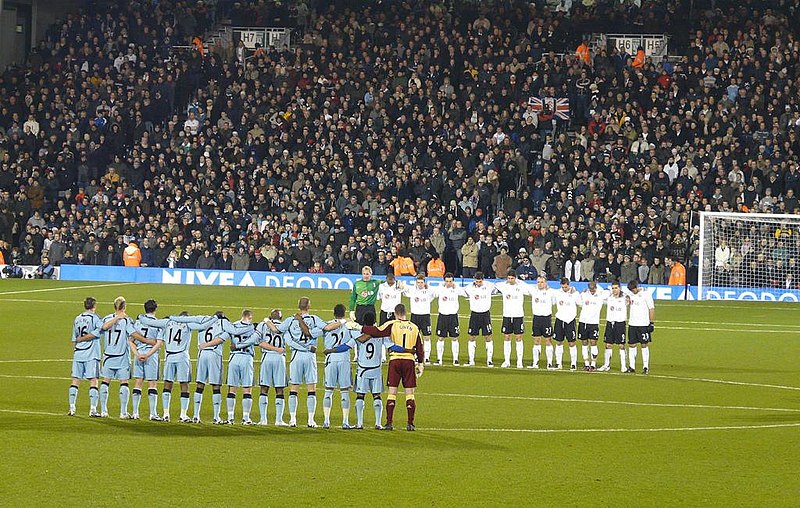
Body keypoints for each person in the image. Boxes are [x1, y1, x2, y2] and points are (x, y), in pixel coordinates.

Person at [264, 297, 340, 427]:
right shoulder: (315, 319)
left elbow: (276, 330)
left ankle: (293, 419)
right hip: (310, 356)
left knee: (294, 388)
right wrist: (341, 322)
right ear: (309, 306)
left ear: (298, 305)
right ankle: (311, 420)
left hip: (296, 356)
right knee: (311, 389)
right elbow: (327, 328)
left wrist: (266, 320)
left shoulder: (290, 320)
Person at [351, 303, 424, 431]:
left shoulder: (392, 324)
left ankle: (389, 423)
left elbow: (377, 331)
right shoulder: (414, 327)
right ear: (405, 313)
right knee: (410, 394)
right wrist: (420, 363)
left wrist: (360, 327)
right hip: (409, 361)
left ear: (395, 313)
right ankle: (410, 423)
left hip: (395, 360)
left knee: (392, 392)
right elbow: (419, 347)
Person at [325, 311, 397, 429]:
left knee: (360, 396)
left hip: (363, 370)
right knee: (377, 396)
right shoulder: (381, 334)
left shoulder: (358, 333)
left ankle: (359, 423)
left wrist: (331, 350)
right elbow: (392, 347)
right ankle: (378, 423)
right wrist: (406, 350)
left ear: (363, 322)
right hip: (376, 369)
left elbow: (346, 346)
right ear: (374, 322)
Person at [138, 312, 216, 422]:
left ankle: (166, 414)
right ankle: (183, 414)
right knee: (184, 385)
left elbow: (151, 322)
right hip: (182, 357)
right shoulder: (188, 324)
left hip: (169, 357)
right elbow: (203, 326)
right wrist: (215, 319)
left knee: (167, 384)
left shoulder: (168, 322)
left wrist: (141, 317)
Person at [99, 297, 155, 418]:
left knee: (105, 381)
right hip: (121, 356)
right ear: (124, 307)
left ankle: (103, 410)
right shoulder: (127, 320)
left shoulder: (107, 318)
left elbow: (103, 327)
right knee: (123, 383)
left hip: (108, 355)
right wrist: (147, 341)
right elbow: (134, 334)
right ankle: (123, 412)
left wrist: (115, 318)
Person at [68, 297, 122, 417]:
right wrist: (117, 318)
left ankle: (72, 408)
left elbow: (74, 338)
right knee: (93, 381)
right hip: (91, 354)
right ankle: (93, 409)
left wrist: (75, 351)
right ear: (94, 306)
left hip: (78, 353)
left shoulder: (77, 318)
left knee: (75, 381)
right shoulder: (95, 318)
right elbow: (102, 328)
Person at [202, 310, 257, 424]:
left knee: (232, 389)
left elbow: (220, 339)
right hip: (247, 358)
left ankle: (230, 418)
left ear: (242, 316)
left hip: (234, 359)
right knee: (247, 389)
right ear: (250, 317)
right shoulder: (252, 328)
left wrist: (206, 345)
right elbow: (258, 342)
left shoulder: (232, 326)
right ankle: (246, 418)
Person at [320, 304, 359, 429]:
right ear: (344, 312)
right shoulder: (349, 325)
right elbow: (354, 341)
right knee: (344, 391)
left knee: (328, 390)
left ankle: (326, 421)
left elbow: (320, 332)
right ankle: (345, 421)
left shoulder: (328, 324)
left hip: (330, 360)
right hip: (344, 360)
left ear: (333, 313)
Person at [253, 309, 289, 426]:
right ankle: (279, 420)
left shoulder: (263, 325)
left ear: (270, 316)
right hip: (280, 358)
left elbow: (259, 342)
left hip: (267, 357)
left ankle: (263, 419)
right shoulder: (285, 326)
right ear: (281, 318)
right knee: (280, 389)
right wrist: (278, 349)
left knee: (264, 388)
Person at [132, 300, 165, 420]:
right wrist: (148, 354)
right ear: (156, 309)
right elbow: (159, 343)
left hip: (138, 355)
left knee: (138, 382)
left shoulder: (137, 322)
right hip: (151, 356)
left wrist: (137, 354)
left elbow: (130, 340)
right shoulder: (159, 323)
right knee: (152, 384)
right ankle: (153, 414)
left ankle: (135, 413)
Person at [495, 269, 531, 368]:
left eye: (512, 278)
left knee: (518, 337)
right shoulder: (503, 285)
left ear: (515, 278)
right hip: (506, 315)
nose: (510, 280)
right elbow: (492, 286)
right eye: (509, 278)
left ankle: (519, 361)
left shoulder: (521, 285)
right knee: (507, 337)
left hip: (518, 315)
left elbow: (532, 290)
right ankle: (507, 361)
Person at [463, 271, 496, 366]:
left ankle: (489, 360)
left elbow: (497, 289)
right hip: (474, 315)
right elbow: (462, 292)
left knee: (488, 336)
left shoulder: (490, 286)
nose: (478, 283)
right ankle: (471, 360)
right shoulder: (469, 288)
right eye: (477, 281)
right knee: (472, 337)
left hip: (485, 315)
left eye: (480, 281)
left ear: (483, 280)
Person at [402, 273, 436, 364]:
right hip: (415, 316)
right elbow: (402, 288)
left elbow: (436, 295)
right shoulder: (412, 290)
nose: (420, 284)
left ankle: (427, 357)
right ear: (416, 282)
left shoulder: (429, 291)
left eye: (421, 282)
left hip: (425, 316)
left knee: (427, 337)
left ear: (424, 282)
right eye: (418, 282)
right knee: (414, 337)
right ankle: (416, 356)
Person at [434, 272, 467, 365]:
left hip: (453, 316)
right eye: (447, 281)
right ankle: (439, 359)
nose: (449, 283)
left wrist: (456, 287)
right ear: (444, 281)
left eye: (450, 281)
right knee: (440, 338)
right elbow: (432, 294)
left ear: (453, 281)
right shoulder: (440, 288)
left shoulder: (457, 288)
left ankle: (455, 359)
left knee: (455, 338)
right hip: (442, 316)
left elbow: (466, 294)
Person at [597, 281, 629, 372]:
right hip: (610, 323)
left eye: (616, 288)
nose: (614, 290)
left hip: (620, 323)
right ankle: (606, 365)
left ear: (620, 288)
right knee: (608, 344)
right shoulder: (609, 297)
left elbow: (633, 294)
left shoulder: (625, 297)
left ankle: (623, 366)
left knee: (621, 345)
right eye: (613, 288)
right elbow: (598, 290)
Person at [625, 280, 655, 374]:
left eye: (634, 289)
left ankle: (645, 366)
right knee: (631, 344)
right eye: (631, 290)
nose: (633, 291)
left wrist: (651, 323)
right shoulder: (629, 294)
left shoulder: (646, 294)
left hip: (643, 324)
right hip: (632, 324)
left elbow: (651, 308)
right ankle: (631, 366)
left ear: (637, 287)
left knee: (644, 344)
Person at [528, 275, 558, 369]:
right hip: (536, 318)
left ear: (546, 283)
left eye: (542, 282)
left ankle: (549, 363)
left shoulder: (551, 292)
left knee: (548, 340)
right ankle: (535, 363)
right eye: (538, 282)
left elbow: (562, 293)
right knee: (536, 340)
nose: (540, 284)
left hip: (546, 319)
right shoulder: (533, 290)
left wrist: (572, 289)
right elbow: (521, 286)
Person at [552, 278, 581, 370]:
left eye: (566, 287)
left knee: (571, 342)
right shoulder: (557, 293)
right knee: (558, 342)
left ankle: (573, 363)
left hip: (570, 320)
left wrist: (577, 293)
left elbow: (581, 304)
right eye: (563, 287)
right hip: (559, 320)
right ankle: (558, 363)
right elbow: (551, 302)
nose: (564, 288)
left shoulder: (575, 294)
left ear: (569, 285)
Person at [577, 281, 607, 370]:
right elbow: (579, 303)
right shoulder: (584, 294)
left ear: (596, 287)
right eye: (590, 289)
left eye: (593, 289)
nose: (592, 291)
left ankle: (593, 363)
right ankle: (586, 363)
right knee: (584, 343)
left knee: (593, 343)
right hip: (583, 322)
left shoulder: (601, 294)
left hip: (594, 323)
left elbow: (609, 291)